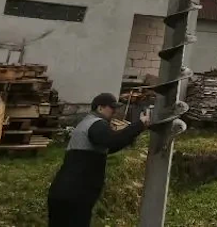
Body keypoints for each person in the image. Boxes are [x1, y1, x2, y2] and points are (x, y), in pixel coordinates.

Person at [47, 92, 150, 226]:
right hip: (75, 195)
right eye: (111, 107)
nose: (114, 111)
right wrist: (139, 125)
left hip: (67, 192)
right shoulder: (97, 124)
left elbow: (112, 146)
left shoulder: (87, 124)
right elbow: (113, 141)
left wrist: (136, 131)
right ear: (100, 108)